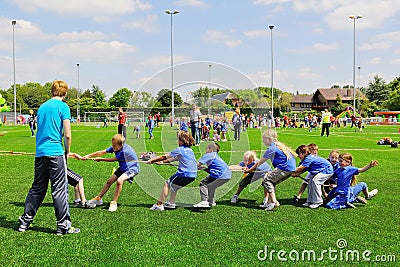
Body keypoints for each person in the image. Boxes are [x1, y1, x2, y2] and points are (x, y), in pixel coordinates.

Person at [18, 80, 80, 235]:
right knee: (60, 189)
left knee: (37, 188)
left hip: (40, 153)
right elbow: (67, 134)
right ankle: (63, 226)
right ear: (65, 93)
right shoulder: (63, 107)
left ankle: (24, 222)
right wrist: (67, 152)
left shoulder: (42, 107)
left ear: (52, 91)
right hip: (55, 153)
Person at [84, 134, 140, 212]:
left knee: (119, 181)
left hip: (132, 169)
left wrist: (101, 159)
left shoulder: (124, 151)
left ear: (121, 145)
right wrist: (88, 156)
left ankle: (114, 202)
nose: (113, 147)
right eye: (112, 145)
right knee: (109, 181)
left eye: (115, 146)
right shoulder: (115, 147)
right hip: (123, 168)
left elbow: (113, 159)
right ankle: (99, 198)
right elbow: (102, 152)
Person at [245, 129, 297, 211]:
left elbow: (259, 163)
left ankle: (273, 202)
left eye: (264, 138)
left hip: (284, 168)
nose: (262, 140)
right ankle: (268, 203)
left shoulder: (271, 149)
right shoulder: (278, 146)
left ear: (269, 139)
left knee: (267, 180)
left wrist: (249, 170)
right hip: (290, 168)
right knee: (271, 181)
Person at [148, 130, 197, 211]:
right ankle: (171, 203)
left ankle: (159, 205)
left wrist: (152, 160)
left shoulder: (180, 149)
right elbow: (176, 158)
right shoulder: (190, 150)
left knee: (167, 184)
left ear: (182, 140)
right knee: (174, 186)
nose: (177, 141)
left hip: (184, 173)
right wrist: (162, 162)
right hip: (193, 175)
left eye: (178, 139)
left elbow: (165, 156)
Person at [292, 144, 333, 209]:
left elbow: (300, 168)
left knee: (315, 181)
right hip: (319, 171)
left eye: (299, 154)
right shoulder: (305, 159)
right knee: (310, 182)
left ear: (304, 153)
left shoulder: (309, 158)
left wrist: (289, 170)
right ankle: (310, 201)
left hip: (326, 171)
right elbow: (304, 169)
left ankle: (318, 201)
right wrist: (296, 174)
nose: (298, 156)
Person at [193, 142, 231, 208]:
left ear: (211, 149)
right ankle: (211, 201)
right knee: (211, 186)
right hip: (227, 175)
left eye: (207, 148)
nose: (206, 150)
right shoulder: (215, 156)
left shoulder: (209, 155)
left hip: (219, 174)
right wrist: (204, 168)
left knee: (203, 183)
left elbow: (197, 164)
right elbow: (214, 168)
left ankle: (204, 201)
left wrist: (189, 167)